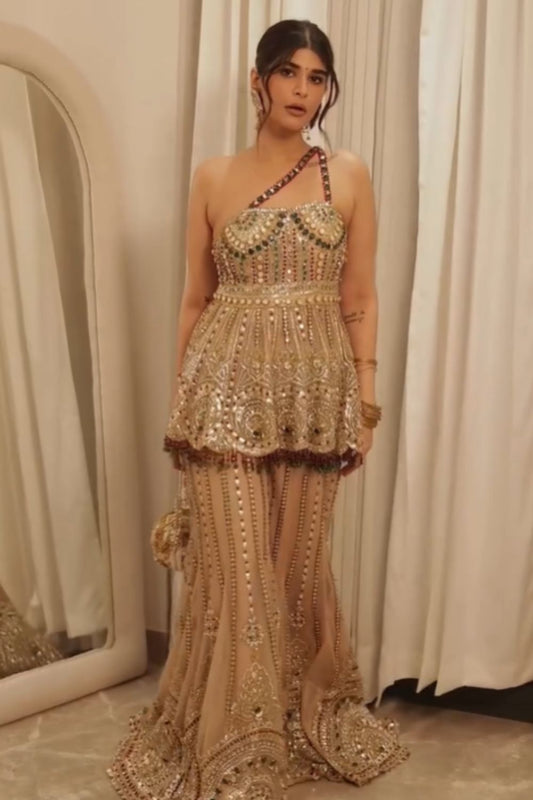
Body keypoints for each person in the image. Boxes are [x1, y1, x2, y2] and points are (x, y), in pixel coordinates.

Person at [107, 18, 409, 800]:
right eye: (288, 73)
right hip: (222, 389)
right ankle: (235, 747)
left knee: (292, 568)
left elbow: (360, 297)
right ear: (257, 80)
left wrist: (364, 403)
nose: (302, 90)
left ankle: (288, 717)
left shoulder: (345, 174)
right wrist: (180, 400)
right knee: (236, 574)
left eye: (316, 77)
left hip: (314, 398)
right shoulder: (213, 176)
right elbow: (194, 298)